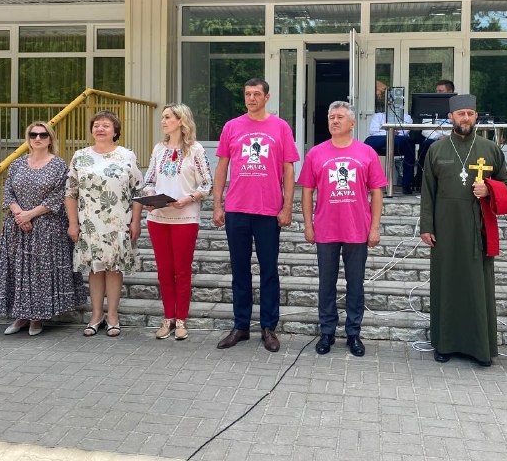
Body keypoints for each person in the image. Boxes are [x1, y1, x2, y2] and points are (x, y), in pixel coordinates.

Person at [419, 94, 507, 366]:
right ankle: (444, 344)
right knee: (446, 283)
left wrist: (489, 189)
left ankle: (479, 348)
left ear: (476, 116)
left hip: (477, 226)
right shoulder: (436, 149)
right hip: (445, 227)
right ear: (451, 117)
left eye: (470, 113)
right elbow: (427, 191)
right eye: (461, 114)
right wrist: (426, 226)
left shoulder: (490, 148)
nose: (466, 118)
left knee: (477, 285)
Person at [213, 78, 299, 353]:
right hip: (237, 209)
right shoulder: (232, 126)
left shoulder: (280, 127)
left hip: (268, 210)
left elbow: (288, 170)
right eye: (248, 94)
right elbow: (222, 167)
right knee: (239, 271)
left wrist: (287, 206)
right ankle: (240, 326)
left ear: (266, 97)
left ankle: (268, 327)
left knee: (269, 271)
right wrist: (217, 204)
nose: (251, 98)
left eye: (256, 94)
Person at [298, 101, 386, 357]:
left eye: (340, 117)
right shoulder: (316, 153)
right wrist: (308, 224)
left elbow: (376, 192)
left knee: (355, 284)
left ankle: (353, 333)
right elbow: (307, 191)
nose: (334, 121)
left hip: (357, 228)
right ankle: (326, 332)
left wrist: (375, 227)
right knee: (326, 283)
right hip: (326, 228)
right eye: (331, 117)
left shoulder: (367, 153)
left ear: (352, 123)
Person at [0, 122, 86, 336]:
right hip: (17, 227)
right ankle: (20, 316)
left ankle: (37, 318)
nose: (37, 138)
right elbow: (8, 191)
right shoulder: (17, 163)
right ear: (28, 138)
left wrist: (30, 214)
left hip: (47, 227)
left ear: (50, 139)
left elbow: (58, 196)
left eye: (42, 135)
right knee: (18, 271)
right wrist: (19, 214)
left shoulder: (58, 165)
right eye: (33, 135)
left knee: (40, 272)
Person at [65, 111, 143, 338]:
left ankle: (113, 316)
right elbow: (70, 192)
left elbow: (138, 190)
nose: (100, 129)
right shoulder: (80, 156)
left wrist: (136, 220)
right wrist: (73, 223)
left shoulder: (127, 155)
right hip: (90, 223)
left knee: (114, 269)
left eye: (106, 125)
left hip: (118, 223)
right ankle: (96, 315)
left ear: (115, 131)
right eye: (96, 125)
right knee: (95, 269)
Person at [143, 104, 212, 341]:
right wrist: (150, 197)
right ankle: (167, 318)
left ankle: (181, 319)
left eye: (167, 117)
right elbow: (149, 180)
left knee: (182, 271)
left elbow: (206, 184)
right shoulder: (159, 148)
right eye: (162, 117)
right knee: (164, 271)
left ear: (181, 120)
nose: (163, 121)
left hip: (185, 218)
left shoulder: (195, 149)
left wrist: (189, 198)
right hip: (158, 218)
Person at [364, 81, 416, 195]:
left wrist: (384, 130)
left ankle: (407, 184)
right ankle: (366, 182)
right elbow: (373, 131)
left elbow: (405, 132)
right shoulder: (378, 116)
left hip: (399, 143)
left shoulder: (406, 117)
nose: (393, 103)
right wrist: (390, 131)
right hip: (380, 141)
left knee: (409, 142)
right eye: (390, 101)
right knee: (367, 142)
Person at [414, 80, 455, 192]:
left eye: (440, 91)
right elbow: (425, 130)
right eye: (436, 91)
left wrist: (447, 136)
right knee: (426, 145)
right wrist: (439, 137)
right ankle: (421, 184)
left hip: (453, 141)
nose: (437, 93)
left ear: (450, 92)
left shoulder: (457, 109)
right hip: (432, 141)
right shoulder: (429, 107)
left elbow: (458, 128)